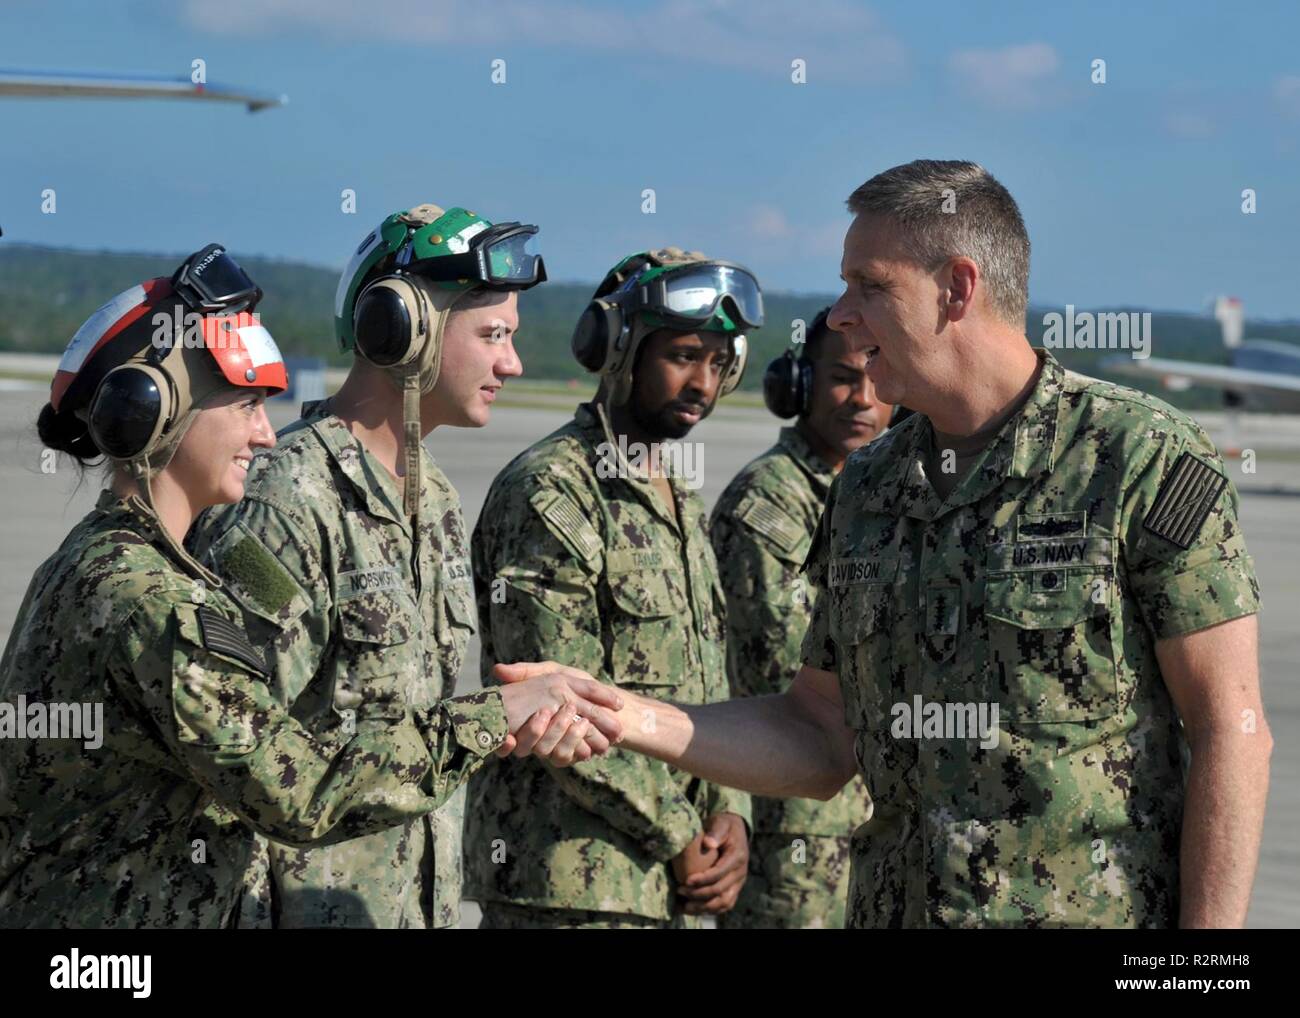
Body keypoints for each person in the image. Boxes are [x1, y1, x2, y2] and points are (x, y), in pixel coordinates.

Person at [524, 160, 1272, 929]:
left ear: (958, 288)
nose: (841, 314)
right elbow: (818, 733)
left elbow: (1232, 730)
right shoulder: (870, 484)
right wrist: (626, 713)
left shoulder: (1136, 457)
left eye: (869, 287)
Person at [0, 248, 620, 929]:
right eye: (245, 405)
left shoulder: (123, 565)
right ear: (155, 411)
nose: (265, 434)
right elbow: (298, 789)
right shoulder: (146, 599)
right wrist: (493, 716)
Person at [188, 204, 595, 929]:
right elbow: (228, 762)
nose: (513, 364)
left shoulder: (430, 495)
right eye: (494, 336)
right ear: (401, 328)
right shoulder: (285, 500)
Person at [464, 247, 756, 928]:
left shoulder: (679, 499)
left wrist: (730, 811)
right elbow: (558, 707)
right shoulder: (552, 492)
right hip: (567, 883)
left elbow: (709, 687)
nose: (702, 385)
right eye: (683, 356)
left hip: (663, 886)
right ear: (617, 349)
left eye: (718, 364)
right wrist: (680, 834)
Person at [709, 307, 891, 928]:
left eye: (874, 375)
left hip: (871, 820)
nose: (862, 399)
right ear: (800, 386)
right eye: (841, 378)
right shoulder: (769, 503)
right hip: (796, 833)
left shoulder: (883, 494)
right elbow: (789, 664)